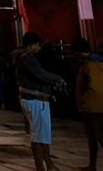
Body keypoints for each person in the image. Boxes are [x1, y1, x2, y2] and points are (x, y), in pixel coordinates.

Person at [15, 31, 67, 171]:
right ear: (31, 45)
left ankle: (48, 164)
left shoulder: (26, 57)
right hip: (34, 100)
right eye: (38, 45)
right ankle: (41, 166)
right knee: (38, 135)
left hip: (37, 99)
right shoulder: (26, 58)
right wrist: (57, 79)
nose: (39, 48)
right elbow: (41, 74)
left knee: (43, 135)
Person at [75, 41, 103, 171]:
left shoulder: (85, 66)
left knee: (93, 137)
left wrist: (79, 102)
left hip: (90, 105)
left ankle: (92, 165)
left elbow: (81, 86)